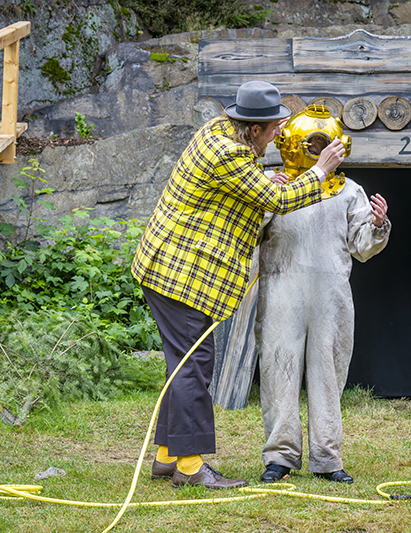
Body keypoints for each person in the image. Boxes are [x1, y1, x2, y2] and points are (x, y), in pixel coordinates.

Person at [131, 81, 346, 490]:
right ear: (254, 129)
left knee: (183, 363)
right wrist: (319, 171)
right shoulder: (228, 153)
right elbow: (276, 201)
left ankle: (167, 457)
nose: (279, 134)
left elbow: (247, 186)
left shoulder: (219, 131)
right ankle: (190, 467)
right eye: (273, 128)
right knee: (193, 365)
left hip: (167, 266)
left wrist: (268, 181)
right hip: (177, 273)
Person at [255, 105, 391, 484]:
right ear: (293, 144)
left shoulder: (349, 190)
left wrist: (378, 225)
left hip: (330, 297)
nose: (318, 150)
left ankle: (327, 458)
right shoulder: (274, 185)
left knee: (328, 375)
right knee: (278, 371)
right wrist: (265, 201)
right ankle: (280, 457)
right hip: (281, 291)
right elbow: (249, 233)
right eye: (312, 144)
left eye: (324, 144)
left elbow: (362, 247)